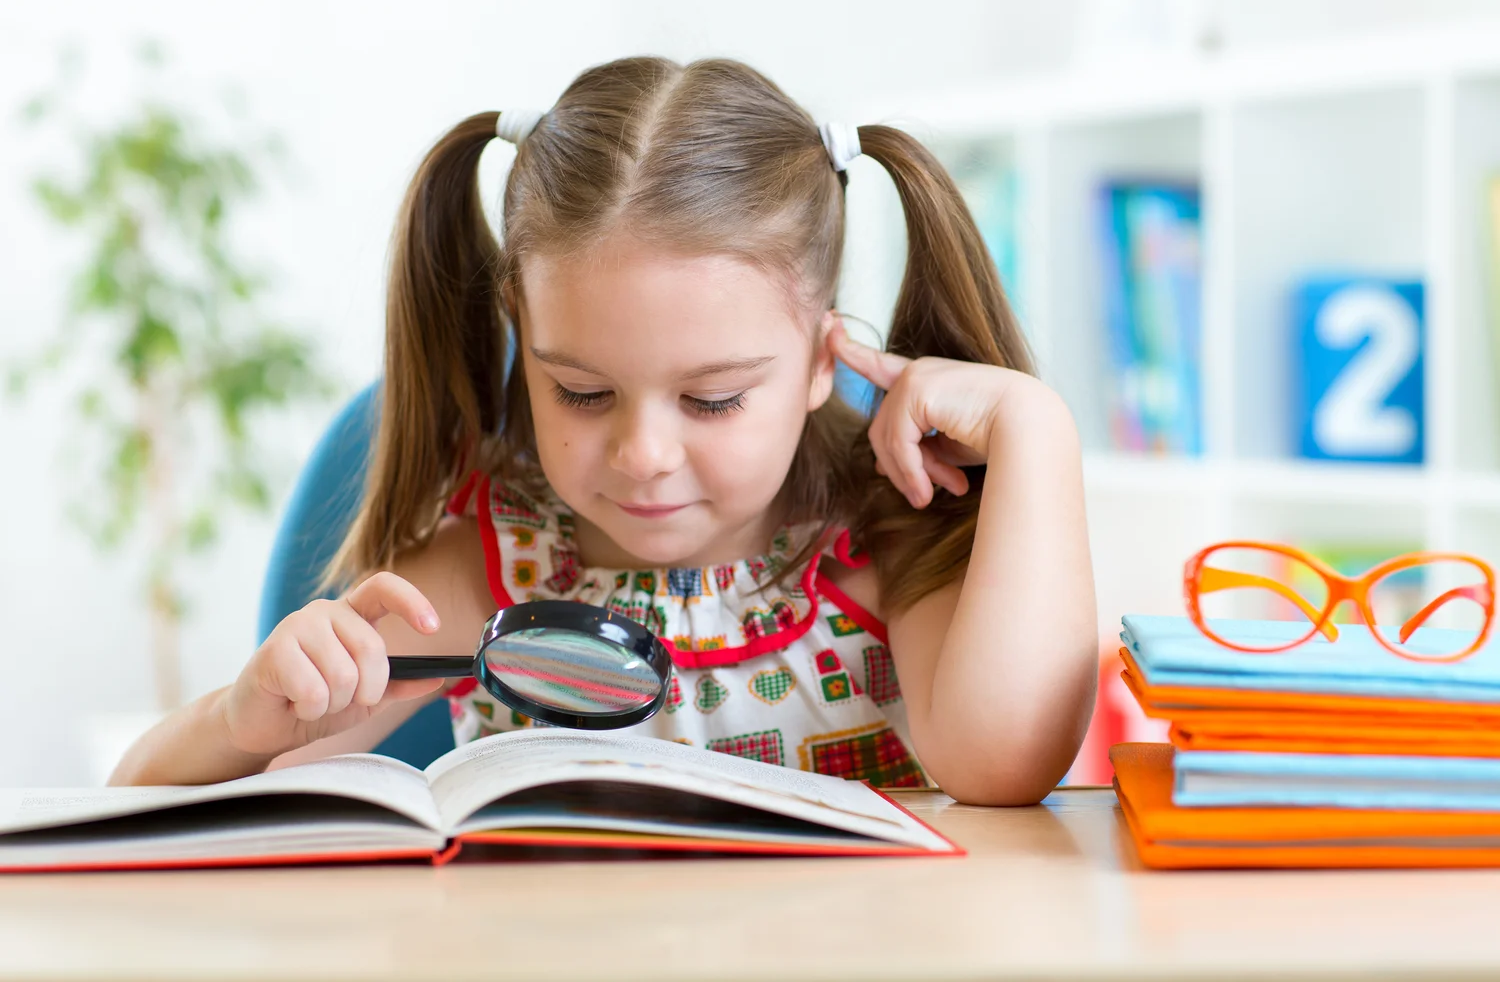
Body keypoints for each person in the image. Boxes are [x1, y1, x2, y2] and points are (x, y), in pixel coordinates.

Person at [111, 56, 1096, 805]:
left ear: (820, 360)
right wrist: (238, 721)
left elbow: (1002, 763)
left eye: (711, 400)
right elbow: (139, 804)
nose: (642, 455)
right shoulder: (490, 570)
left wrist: (1035, 429)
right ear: (521, 330)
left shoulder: (883, 537)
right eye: (582, 391)